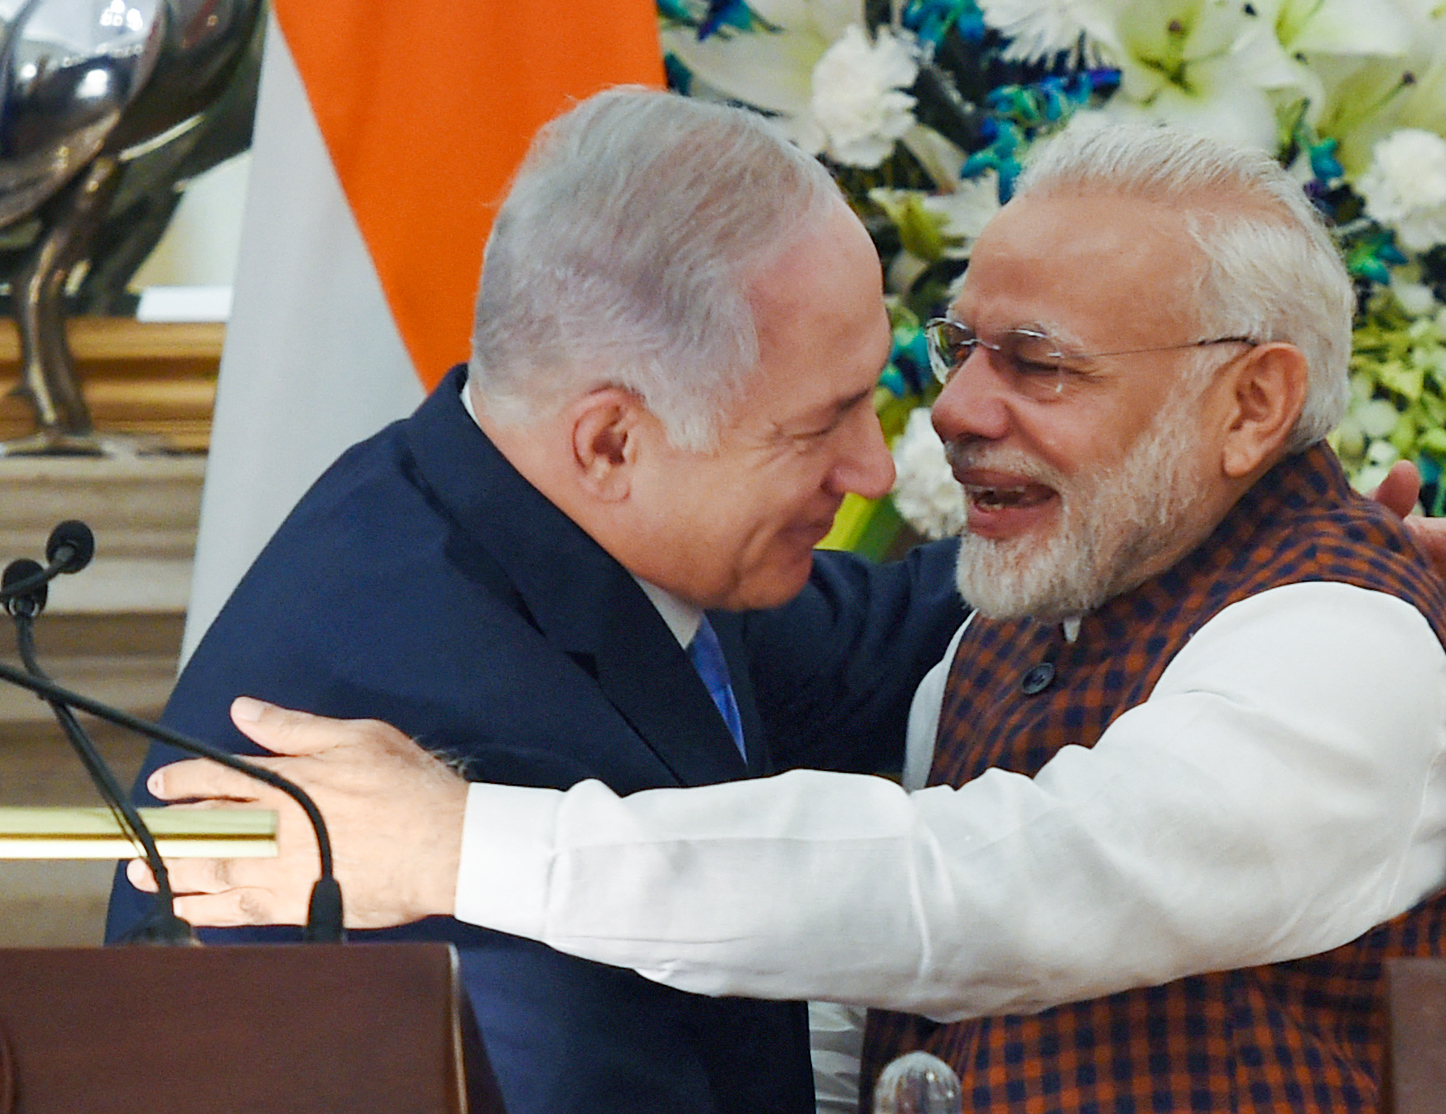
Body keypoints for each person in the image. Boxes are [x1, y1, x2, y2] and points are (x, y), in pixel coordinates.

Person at [135, 112, 1446, 1112]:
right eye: (961, 348)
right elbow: (859, 1001)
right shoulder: (394, 676)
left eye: (1038, 364)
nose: (936, 427)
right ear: (611, 441)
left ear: (1250, 405)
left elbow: (999, 889)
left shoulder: (1338, 650)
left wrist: (461, 841)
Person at [108, 89, 968, 1114]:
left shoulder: (520, 503)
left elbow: (878, 640)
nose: (873, 470)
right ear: (610, 443)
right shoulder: (426, 743)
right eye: (821, 425)